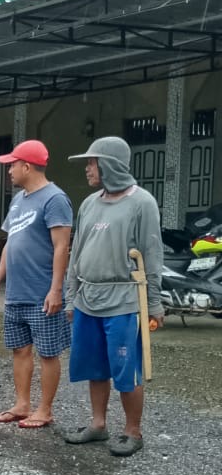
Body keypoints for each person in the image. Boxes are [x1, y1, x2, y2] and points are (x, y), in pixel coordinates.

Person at [63, 136, 164, 457]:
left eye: (92, 163)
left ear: (111, 165)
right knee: (94, 366)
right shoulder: (90, 204)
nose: (88, 169)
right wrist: (71, 295)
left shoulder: (142, 203)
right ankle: (98, 425)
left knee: (126, 368)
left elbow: (152, 253)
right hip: (87, 299)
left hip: (125, 299)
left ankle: (133, 431)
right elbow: (76, 252)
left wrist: (156, 302)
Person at [0, 140, 73, 429]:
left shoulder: (55, 199)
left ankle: (44, 409)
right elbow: (11, 243)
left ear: (26, 166)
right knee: (20, 349)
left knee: (48, 352)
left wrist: (56, 289)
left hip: (42, 293)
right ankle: (23, 404)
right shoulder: (19, 200)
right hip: (16, 292)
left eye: (12, 165)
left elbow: (62, 247)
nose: (8, 170)